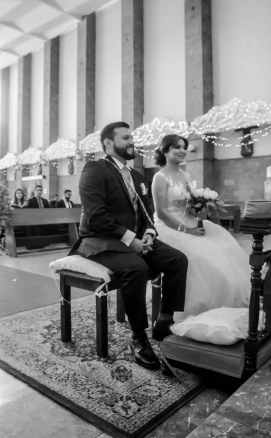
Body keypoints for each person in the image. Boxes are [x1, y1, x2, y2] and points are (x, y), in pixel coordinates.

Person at [70, 121, 188, 371]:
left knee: (177, 259)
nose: (132, 142)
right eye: (125, 138)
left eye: (131, 137)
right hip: (100, 240)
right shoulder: (95, 169)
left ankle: (164, 321)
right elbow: (96, 214)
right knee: (137, 268)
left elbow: (147, 212)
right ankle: (138, 338)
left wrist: (147, 233)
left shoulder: (136, 175)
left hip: (133, 237)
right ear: (108, 144)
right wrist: (129, 240)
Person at [151, 134, 250, 318]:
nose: (182, 151)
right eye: (177, 147)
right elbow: (162, 213)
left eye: (184, 147)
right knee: (202, 256)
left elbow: (189, 204)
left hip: (189, 222)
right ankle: (193, 309)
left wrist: (200, 209)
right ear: (165, 151)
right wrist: (186, 230)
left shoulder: (186, 175)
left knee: (223, 245)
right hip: (168, 228)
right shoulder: (160, 177)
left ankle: (221, 304)